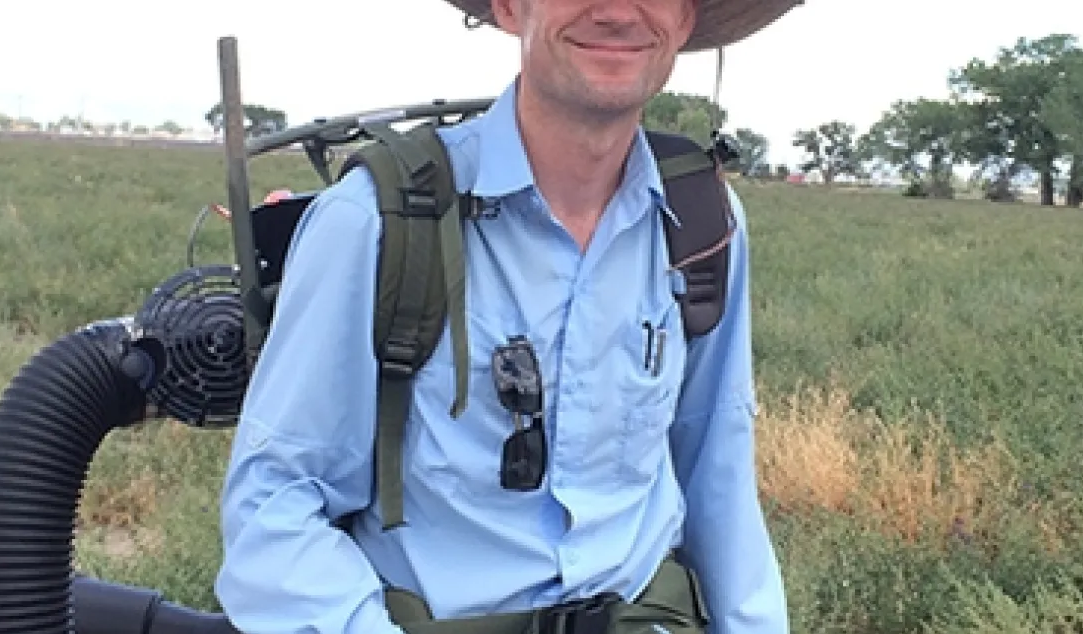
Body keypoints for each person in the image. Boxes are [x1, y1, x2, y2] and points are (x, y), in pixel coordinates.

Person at [212, 1, 800, 633]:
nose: (616, 11)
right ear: (511, 8)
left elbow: (719, 469)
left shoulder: (703, 220)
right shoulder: (373, 220)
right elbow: (275, 502)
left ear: (685, 19)